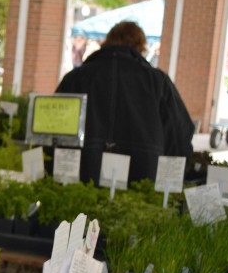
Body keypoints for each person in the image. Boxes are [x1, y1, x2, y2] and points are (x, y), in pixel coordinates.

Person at [55, 20, 194, 185]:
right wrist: (170, 184)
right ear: (140, 47)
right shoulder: (157, 82)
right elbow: (179, 138)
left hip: (81, 181)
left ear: (107, 42)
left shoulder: (74, 79)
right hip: (141, 183)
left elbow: (54, 131)